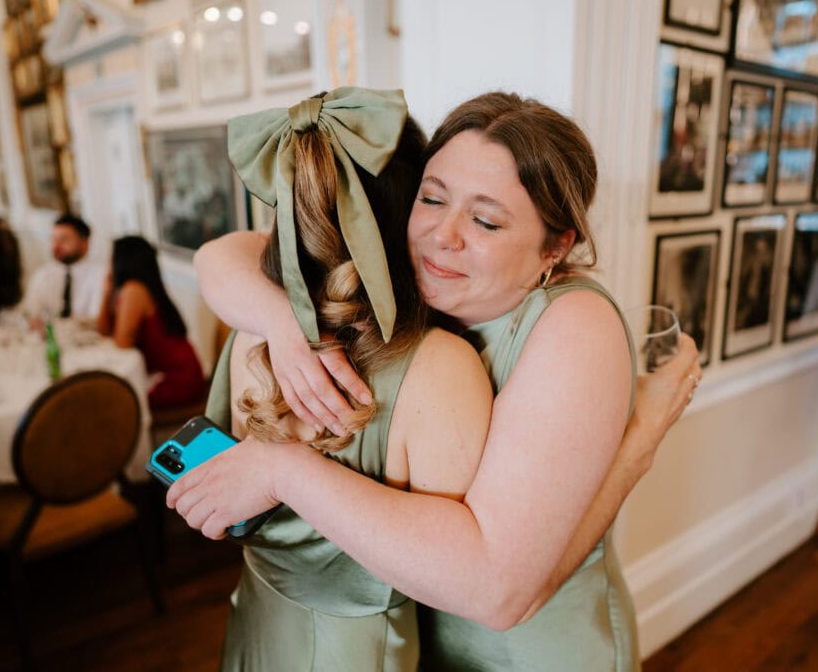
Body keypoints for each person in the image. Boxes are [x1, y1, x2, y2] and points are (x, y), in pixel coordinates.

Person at [172, 92, 702, 670]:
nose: (441, 235)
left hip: (519, 654)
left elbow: (502, 596)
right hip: (417, 640)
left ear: (556, 245)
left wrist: (636, 450)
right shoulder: (414, 285)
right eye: (431, 198)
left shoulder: (575, 326)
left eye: (486, 220)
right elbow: (222, 257)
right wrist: (282, 322)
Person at [194, 88, 492, 669]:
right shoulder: (441, 367)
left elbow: (221, 254)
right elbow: (462, 579)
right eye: (432, 200)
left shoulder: (250, 333)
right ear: (406, 212)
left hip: (253, 627)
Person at [97, 235, 205, 408]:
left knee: (115, 400)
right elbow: (102, 330)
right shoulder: (135, 288)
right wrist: (106, 290)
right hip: (167, 372)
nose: (108, 263)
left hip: (177, 379)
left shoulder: (134, 290)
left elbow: (122, 343)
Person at [19, 213, 104, 321]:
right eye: (54, 239)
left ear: (84, 244)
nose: (56, 246)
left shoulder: (100, 275)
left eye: (64, 239)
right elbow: (29, 312)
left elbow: (96, 318)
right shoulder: (43, 274)